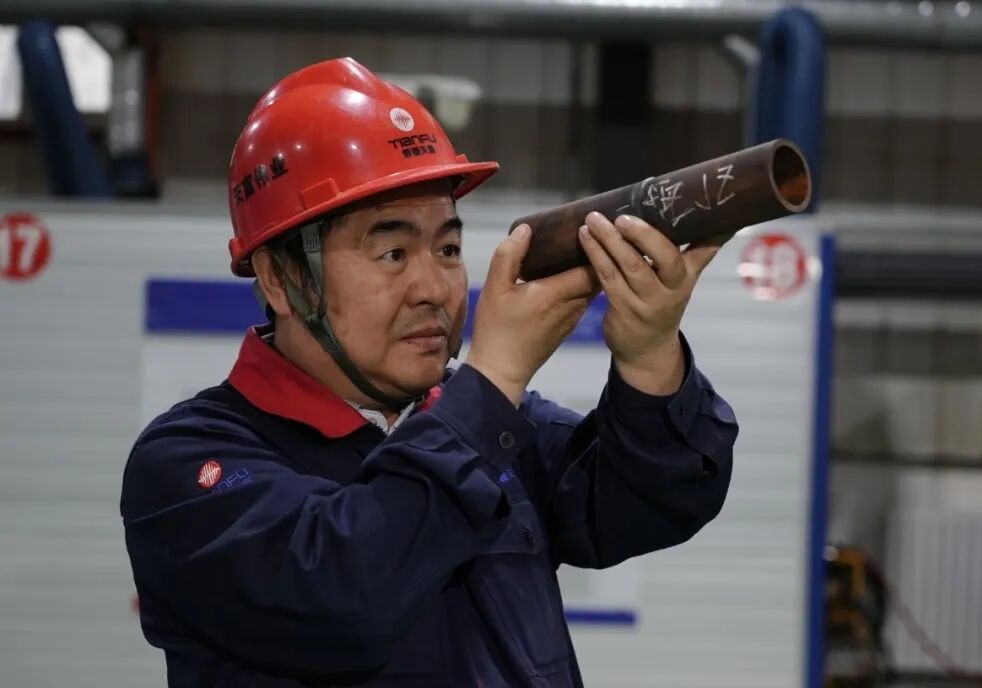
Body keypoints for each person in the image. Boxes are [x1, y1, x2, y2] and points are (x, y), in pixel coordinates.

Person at [120, 57, 738, 688]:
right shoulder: (189, 463)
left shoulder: (493, 426)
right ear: (281, 278)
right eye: (392, 252)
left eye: (447, 248)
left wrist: (648, 352)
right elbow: (343, 599)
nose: (435, 289)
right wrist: (493, 379)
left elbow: (652, 501)